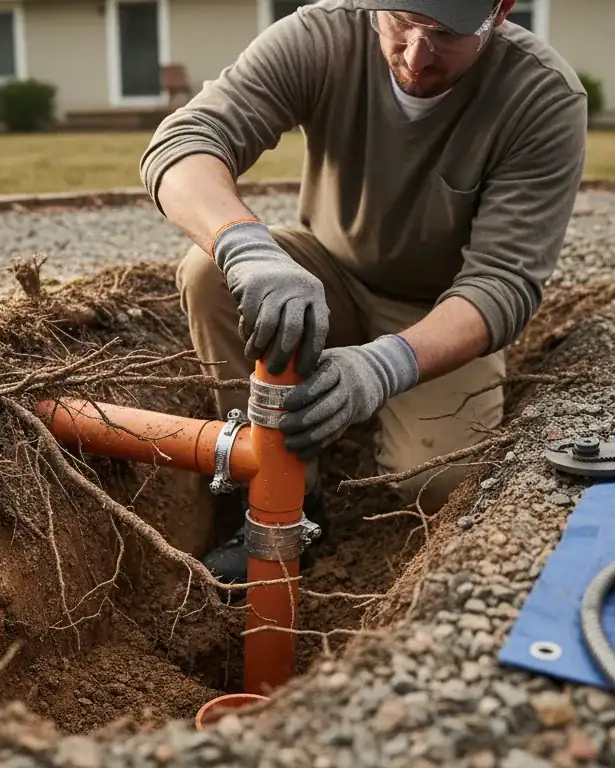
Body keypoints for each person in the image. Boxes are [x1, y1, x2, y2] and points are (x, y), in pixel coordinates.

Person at [138, 0, 588, 583]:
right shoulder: (324, 37)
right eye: (401, 21)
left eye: (446, 34)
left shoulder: (540, 96)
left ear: (499, 12)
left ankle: (364, 420)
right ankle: (285, 496)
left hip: (438, 309)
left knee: (435, 481)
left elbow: (502, 285)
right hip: (328, 277)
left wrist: (383, 367)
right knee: (209, 272)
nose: (417, 56)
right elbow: (187, 141)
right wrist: (246, 248)